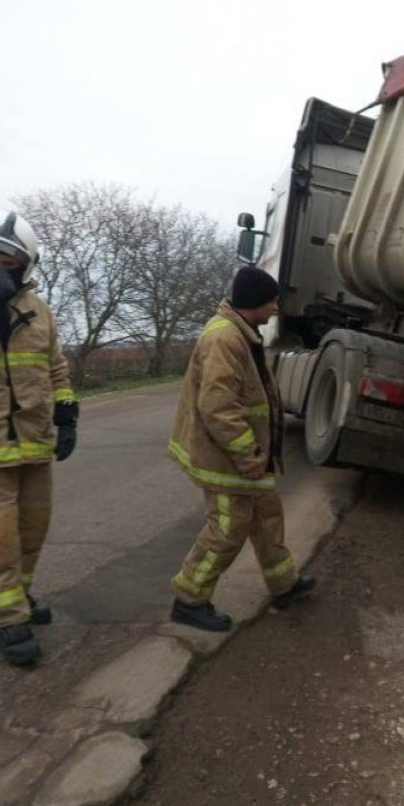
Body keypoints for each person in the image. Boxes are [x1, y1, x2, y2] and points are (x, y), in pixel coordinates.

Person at [168, 266, 315, 631]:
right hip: (227, 458)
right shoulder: (224, 338)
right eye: (273, 300)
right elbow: (218, 406)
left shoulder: (240, 332)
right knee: (227, 529)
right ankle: (189, 599)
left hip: (243, 457)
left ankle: (284, 585)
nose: (277, 307)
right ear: (256, 303)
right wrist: (248, 454)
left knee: (266, 516)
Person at [0, 211, 78, 666]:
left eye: (6, 259)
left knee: (32, 528)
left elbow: (55, 365)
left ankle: (19, 597)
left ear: (26, 264)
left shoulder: (39, 310)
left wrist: (67, 411)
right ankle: (6, 620)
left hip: (35, 441)